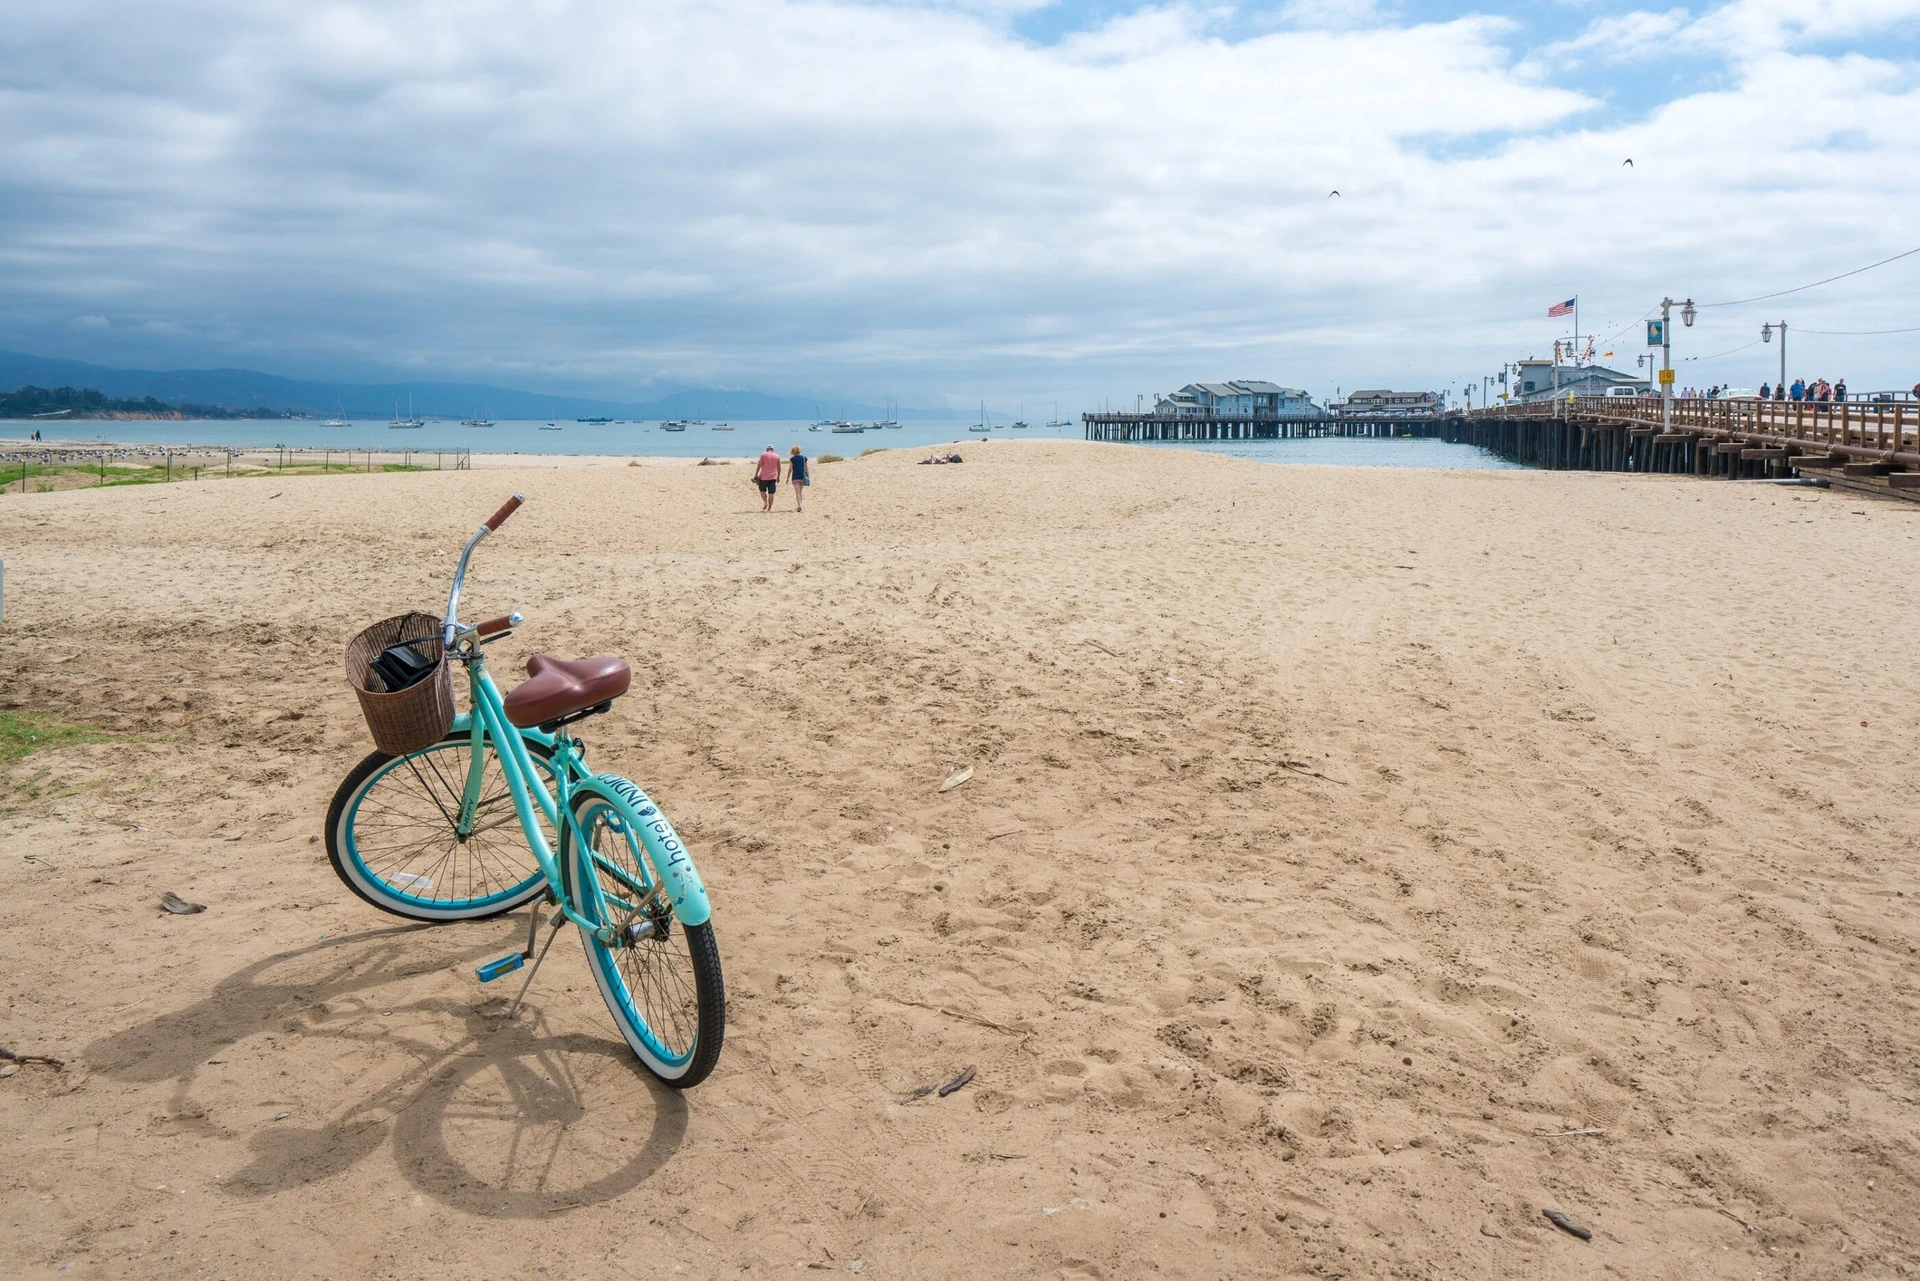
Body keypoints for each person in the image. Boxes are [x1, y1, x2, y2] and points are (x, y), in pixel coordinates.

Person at [754, 444, 780, 512]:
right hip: (773, 477)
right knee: (771, 493)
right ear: (773, 450)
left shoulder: (763, 455)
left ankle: (765, 502)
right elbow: (779, 467)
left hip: (763, 477)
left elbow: (759, 465)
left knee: (762, 491)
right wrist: (778, 477)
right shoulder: (777, 456)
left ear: (766, 449)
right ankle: (769, 508)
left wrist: (756, 474)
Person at [786, 444, 809, 512]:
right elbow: (806, 468)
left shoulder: (792, 459)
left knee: (797, 493)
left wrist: (787, 478)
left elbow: (790, 469)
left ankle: (799, 505)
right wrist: (808, 476)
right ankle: (800, 505)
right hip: (802, 477)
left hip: (795, 477)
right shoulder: (804, 458)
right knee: (800, 492)